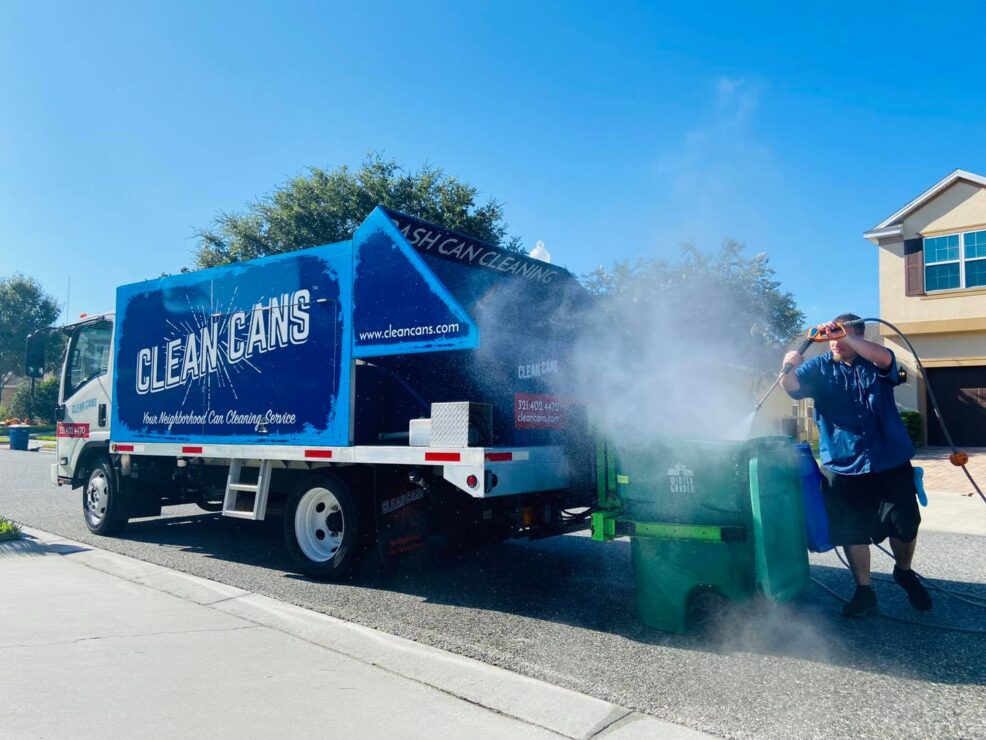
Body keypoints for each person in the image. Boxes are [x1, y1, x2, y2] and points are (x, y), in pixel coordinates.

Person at [781, 313, 932, 617]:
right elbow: (792, 386)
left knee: (905, 525)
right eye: (832, 337)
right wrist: (788, 364)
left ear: (859, 338)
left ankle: (903, 571)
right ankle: (864, 591)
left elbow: (886, 358)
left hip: (889, 459)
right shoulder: (820, 367)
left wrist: (844, 335)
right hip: (842, 462)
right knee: (851, 530)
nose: (835, 343)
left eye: (843, 337)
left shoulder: (873, 362)